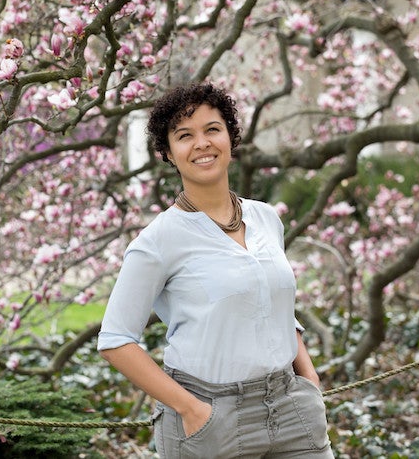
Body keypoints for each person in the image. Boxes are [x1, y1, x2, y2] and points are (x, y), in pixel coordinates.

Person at [97, 82, 333, 458]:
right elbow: (115, 340)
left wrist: (309, 379)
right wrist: (193, 410)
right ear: (168, 153)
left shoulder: (266, 218)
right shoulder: (158, 240)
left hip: (291, 410)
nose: (202, 143)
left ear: (230, 137)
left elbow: (274, 303)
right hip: (211, 419)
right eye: (184, 135)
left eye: (212, 129)